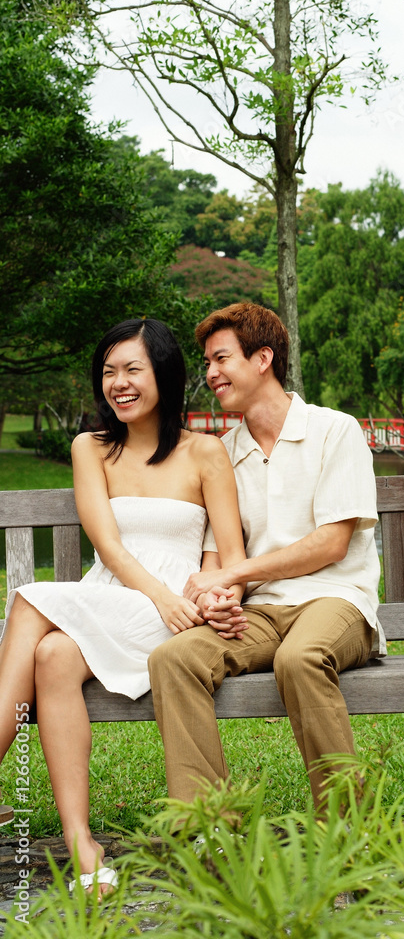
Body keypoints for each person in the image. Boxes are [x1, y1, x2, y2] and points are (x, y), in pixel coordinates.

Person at [0, 318, 246, 895]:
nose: (119, 383)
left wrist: (215, 597)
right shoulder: (91, 448)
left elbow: (230, 555)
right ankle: (83, 848)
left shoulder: (205, 452)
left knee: (28, 601)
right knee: (52, 656)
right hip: (117, 596)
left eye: (133, 369)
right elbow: (108, 546)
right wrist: (158, 597)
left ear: (164, 374)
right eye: (109, 371)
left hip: (172, 616)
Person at [148, 302, 384, 812]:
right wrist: (217, 597)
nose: (210, 374)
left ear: (262, 359)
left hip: (336, 600)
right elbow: (216, 556)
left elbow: (332, 543)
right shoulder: (222, 453)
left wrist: (235, 573)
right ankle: (208, 824)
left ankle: (348, 827)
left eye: (221, 359)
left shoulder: (334, 430)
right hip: (258, 613)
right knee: (174, 658)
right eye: (207, 363)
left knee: (299, 659)